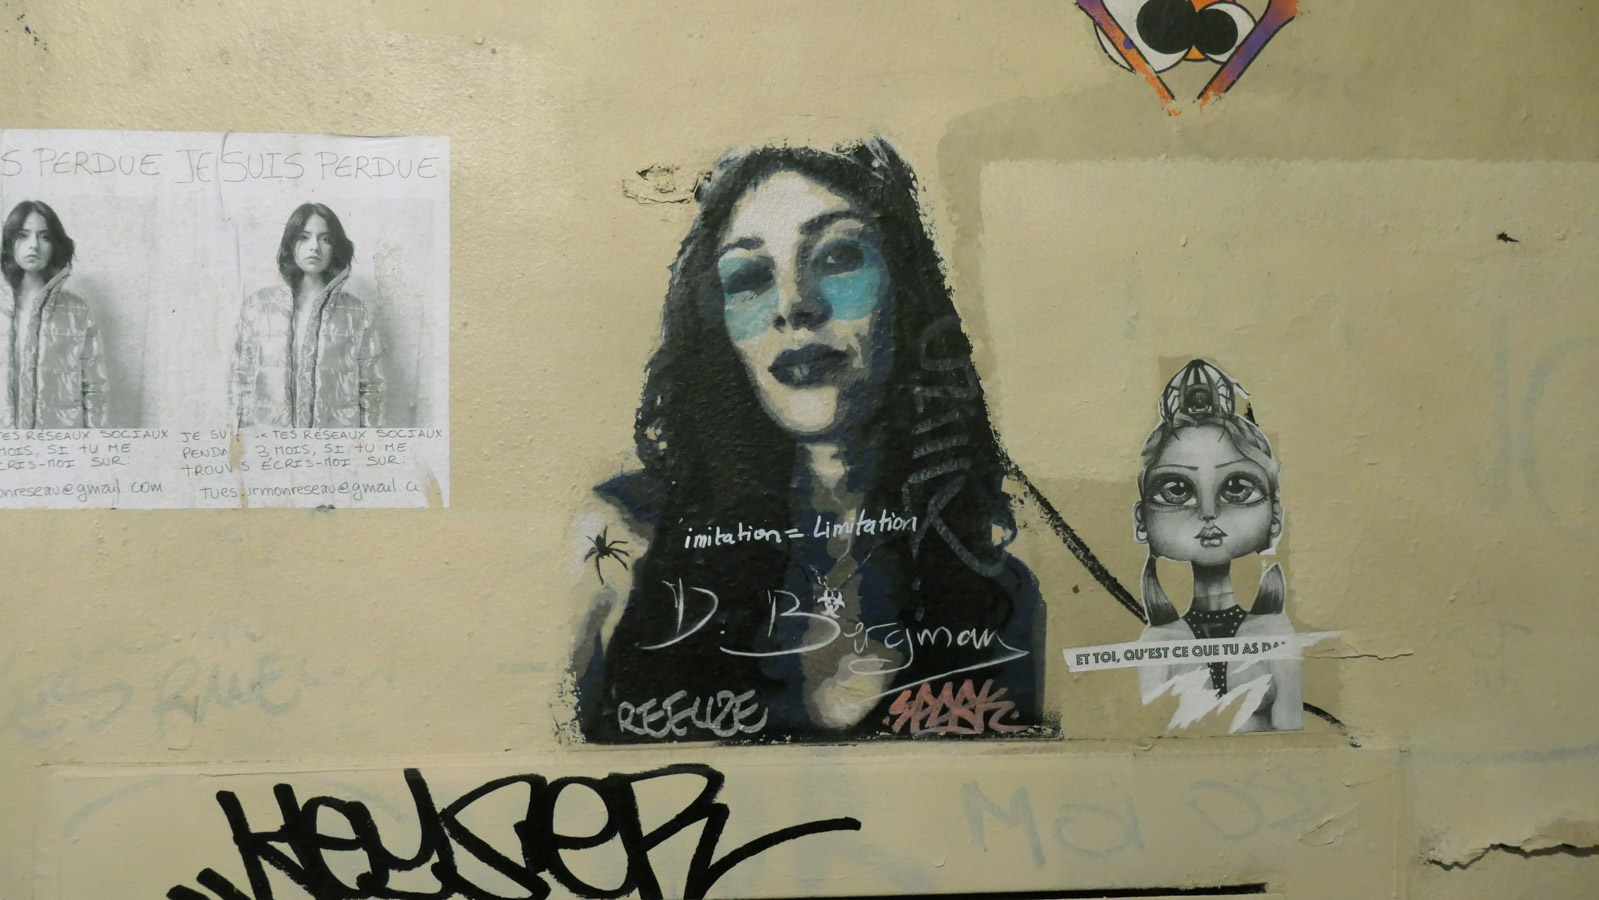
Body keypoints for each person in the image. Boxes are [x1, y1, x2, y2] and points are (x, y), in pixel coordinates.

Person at [570, 139, 1044, 743]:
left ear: (904, 288)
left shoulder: (1001, 568)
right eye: (748, 276)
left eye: (838, 256)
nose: (795, 306)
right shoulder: (619, 541)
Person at [1132, 359, 1301, 732]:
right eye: (1176, 490)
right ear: (1141, 521)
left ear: (1275, 515)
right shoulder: (1158, 639)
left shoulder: (1274, 630)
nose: (1209, 514)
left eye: (1237, 488)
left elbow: (1293, 736)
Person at [231, 202, 384, 428]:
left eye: (325, 239)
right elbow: (239, 381)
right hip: (270, 443)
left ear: (335, 247)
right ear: (290, 243)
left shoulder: (355, 312)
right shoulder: (258, 307)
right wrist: (240, 441)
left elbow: (371, 388)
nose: (314, 247)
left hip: (335, 444)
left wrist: (367, 445)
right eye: (304, 237)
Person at [0, 200, 107, 429]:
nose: (33, 245)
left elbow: (95, 387)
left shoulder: (78, 311)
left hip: (59, 444)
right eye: (22, 235)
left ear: (55, 244)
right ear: (9, 242)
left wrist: (94, 443)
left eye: (45, 237)